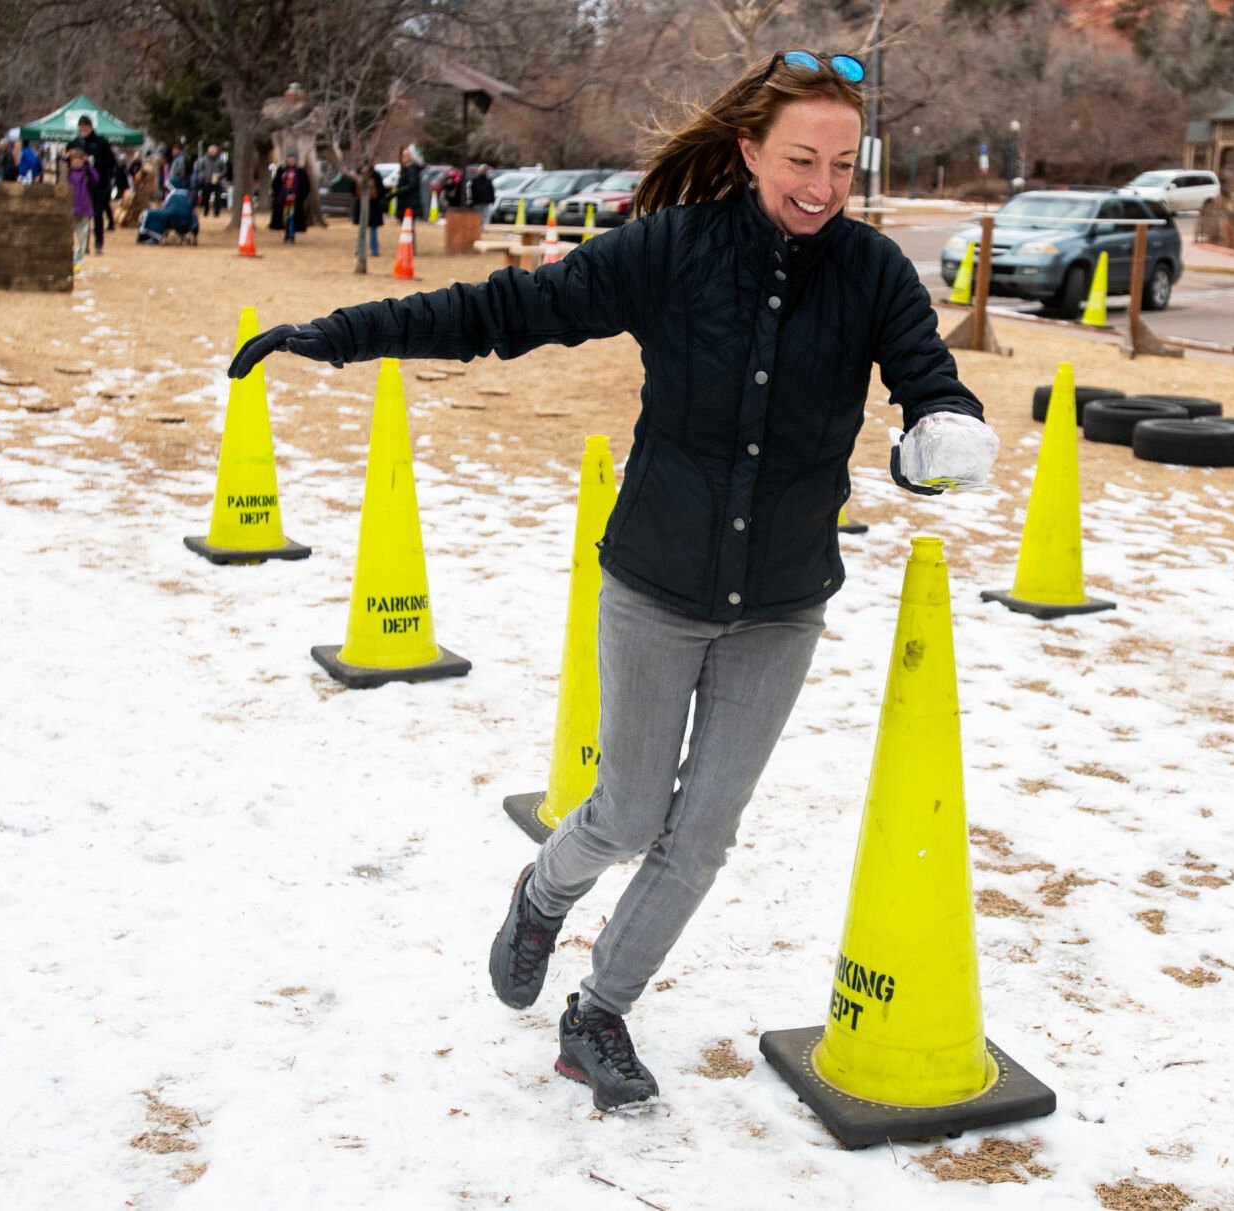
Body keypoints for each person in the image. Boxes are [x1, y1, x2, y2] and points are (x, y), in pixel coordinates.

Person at [224, 50, 998, 1114]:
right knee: (630, 810)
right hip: (656, 583)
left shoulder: (870, 272)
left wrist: (942, 431)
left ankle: (599, 1013)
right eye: (798, 159)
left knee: (705, 832)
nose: (821, 185)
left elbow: (928, 378)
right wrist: (338, 335)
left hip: (781, 601)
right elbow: (506, 313)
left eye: (839, 163)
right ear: (748, 151)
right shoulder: (671, 248)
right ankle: (543, 893)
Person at [66, 117, 116, 252]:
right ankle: (84, 243)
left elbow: (110, 161)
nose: (82, 129)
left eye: (85, 127)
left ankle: (98, 243)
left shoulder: (101, 142)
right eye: (80, 127)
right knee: (82, 216)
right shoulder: (74, 142)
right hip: (80, 185)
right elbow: (67, 160)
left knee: (97, 213)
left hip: (99, 184)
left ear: (90, 127)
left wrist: (92, 160)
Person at [65, 146, 98, 271]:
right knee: (68, 236)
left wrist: (89, 165)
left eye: (79, 159)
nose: (77, 162)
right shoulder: (67, 173)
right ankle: (68, 258)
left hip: (84, 209)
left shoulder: (87, 173)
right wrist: (65, 160)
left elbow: (96, 180)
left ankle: (78, 260)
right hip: (70, 209)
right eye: (74, 159)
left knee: (83, 236)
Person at [269, 151, 310, 242]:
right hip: (283, 199)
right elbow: (275, 184)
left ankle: (291, 235)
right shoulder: (282, 171)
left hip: (295, 200)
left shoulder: (301, 172)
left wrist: (297, 196)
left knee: (292, 217)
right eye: (290, 159)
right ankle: (286, 233)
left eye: (293, 159)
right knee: (285, 217)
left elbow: (306, 187)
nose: (291, 161)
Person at [350, 159, 388, 256]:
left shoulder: (375, 175)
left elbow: (382, 191)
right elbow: (352, 189)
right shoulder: (359, 175)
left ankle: (373, 250)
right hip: (363, 205)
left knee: (371, 229)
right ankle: (360, 249)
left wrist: (375, 194)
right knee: (363, 229)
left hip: (373, 206)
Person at [394, 146, 423, 236]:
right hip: (405, 204)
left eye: (405, 156)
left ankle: (410, 249)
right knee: (407, 230)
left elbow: (412, 185)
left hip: (409, 205)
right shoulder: (405, 170)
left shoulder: (411, 170)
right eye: (402, 156)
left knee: (408, 231)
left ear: (410, 157)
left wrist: (397, 192)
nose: (403, 158)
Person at [195, 143, 226, 217]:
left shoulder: (220, 160)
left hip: (216, 182)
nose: (211, 153)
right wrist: (203, 175)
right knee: (206, 197)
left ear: (216, 152)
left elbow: (224, 170)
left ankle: (217, 212)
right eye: (210, 151)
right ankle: (206, 210)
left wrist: (219, 175)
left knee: (218, 197)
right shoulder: (203, 159)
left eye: (213, 151)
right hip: (206, 181)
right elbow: (199, 169)